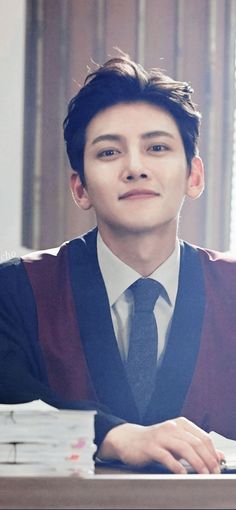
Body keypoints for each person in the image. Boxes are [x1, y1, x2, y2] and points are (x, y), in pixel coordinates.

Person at [0, 55, 235, 475]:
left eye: (157, 148)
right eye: (109, 152)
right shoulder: (16, 289)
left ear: (194, 176)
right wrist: (111, 435)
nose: (135, 168)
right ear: (80, 187)